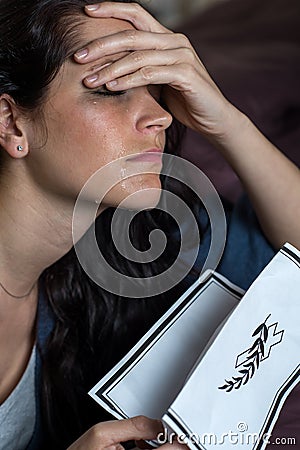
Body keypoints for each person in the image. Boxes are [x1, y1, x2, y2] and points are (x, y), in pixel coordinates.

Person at [0, 1, 299, 449]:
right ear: (11, 122)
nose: (159, 117)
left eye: (155, 89)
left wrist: (226, 122)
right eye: (112, 89)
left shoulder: (139, 245)